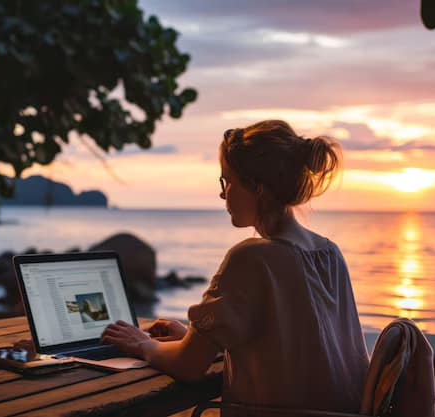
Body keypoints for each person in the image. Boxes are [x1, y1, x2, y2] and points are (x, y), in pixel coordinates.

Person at [100, 120, 369, 413]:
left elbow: (188, 366)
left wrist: (141, 343)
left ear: (257, 187)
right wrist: (197, 338)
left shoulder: (252, 258)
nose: (222, 194)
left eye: (227, 182)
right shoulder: (329, 252)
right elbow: (292, 348)